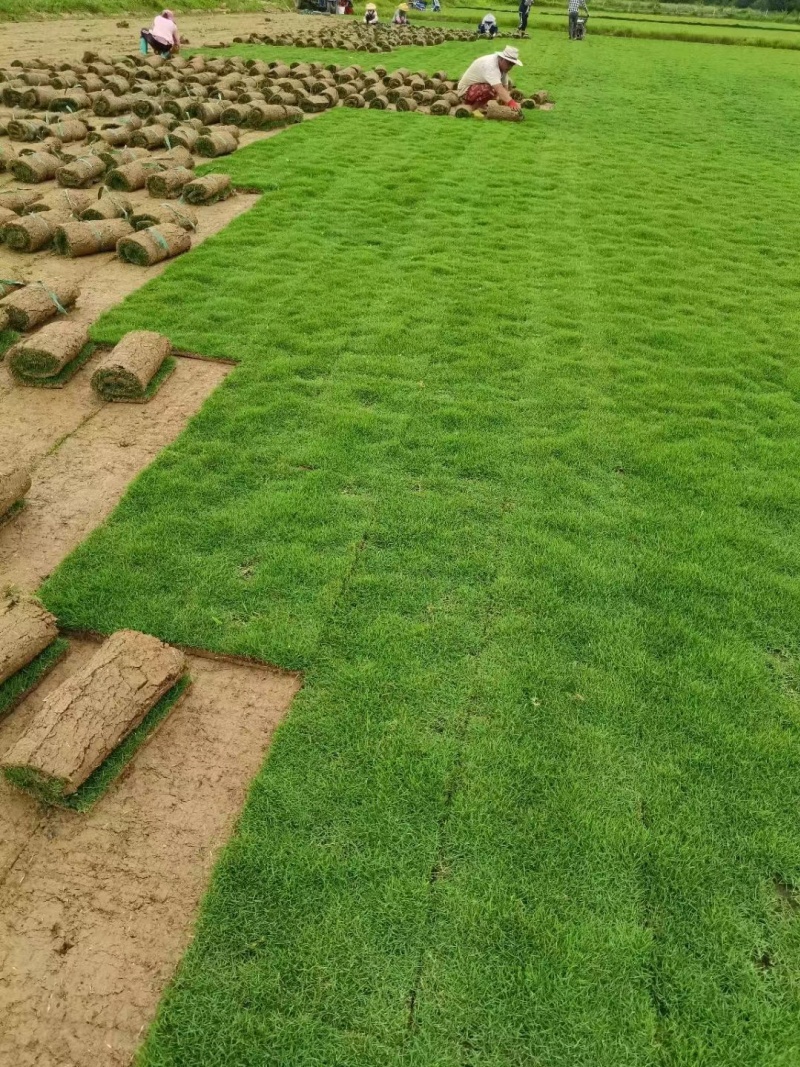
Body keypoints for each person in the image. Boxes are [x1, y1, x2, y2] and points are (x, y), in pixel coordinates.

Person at [457, 44, 522, 111]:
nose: (510, 67)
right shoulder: (491, 66)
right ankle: (473, 108)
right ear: (502, 59)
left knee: (498, 92)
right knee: (491, 89)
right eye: (509, 63)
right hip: (465, 91)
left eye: (512, 64)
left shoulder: (502, 67)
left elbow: (505, 86)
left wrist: (506, 102)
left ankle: (480, 105)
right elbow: (499, 89)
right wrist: (511, 102)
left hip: (476, 87)